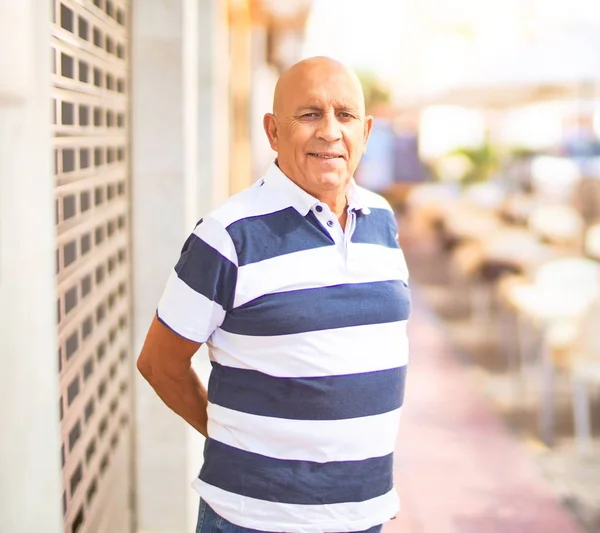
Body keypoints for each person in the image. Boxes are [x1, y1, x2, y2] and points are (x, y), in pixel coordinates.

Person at [137, 56, 411, 533]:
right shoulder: (227, 236)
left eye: (344, 115)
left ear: (365, 131)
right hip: (254, 520)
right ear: (273, 131)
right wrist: (230, 437)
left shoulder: (382, 220)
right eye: (309, 114)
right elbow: (159, 363)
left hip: (364, 516)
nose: (329, 131)